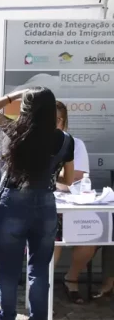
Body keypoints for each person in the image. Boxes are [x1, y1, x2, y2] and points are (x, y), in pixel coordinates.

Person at [0, 87, 73, 320]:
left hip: (12, 201)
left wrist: (16, 94)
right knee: (39, 270)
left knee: (9, 268)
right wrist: (47, 174)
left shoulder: (16, 131)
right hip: (44, 202)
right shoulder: (65, 140)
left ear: (27, 108)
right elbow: (68, 179)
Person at [50, 101, 94, 303]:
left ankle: (72, 278)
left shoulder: (74, 143)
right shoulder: (32, 143)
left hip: (74, 203)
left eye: (57, 120)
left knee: (91, 236)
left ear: (64, 122)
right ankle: (45, 284)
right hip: (48, 205)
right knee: (53, 237)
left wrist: (49, 173)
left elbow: (76, 176)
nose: (53, 124)